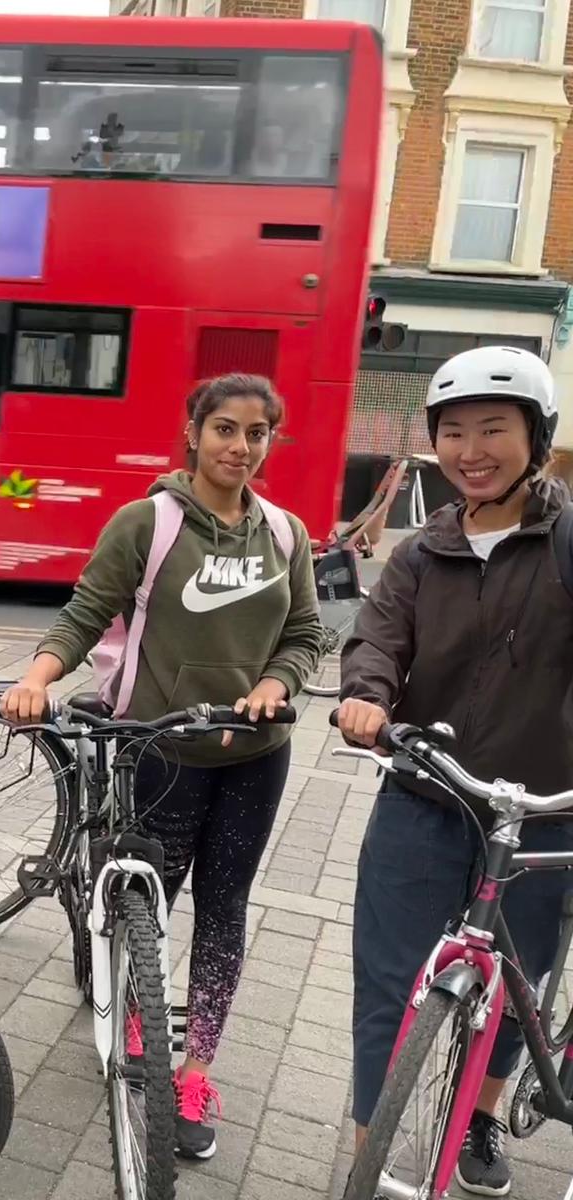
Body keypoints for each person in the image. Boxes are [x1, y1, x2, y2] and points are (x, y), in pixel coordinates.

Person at [1, 373, 321, 1161]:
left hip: (255, 756)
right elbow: (85, 612)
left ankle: (197, 1071)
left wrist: (277, 684)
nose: (240, 446)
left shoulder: (285, 534)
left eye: (256, 433)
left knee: (225, 907)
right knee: (152, 900)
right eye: (224, 429)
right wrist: (36, 679)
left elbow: (306, 633)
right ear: (193, 433)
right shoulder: (148, 521)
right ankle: (139, 1013)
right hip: (158, 749)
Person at [338, 345, 573, 1197]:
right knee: (386, 983)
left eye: (494, 429)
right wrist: (365, 697)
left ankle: (481, 1116)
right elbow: (376, 638)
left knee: (520, 983)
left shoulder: (566, 541)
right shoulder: (422, 552)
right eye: (454, 432)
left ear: (536, 437)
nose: (471, 451)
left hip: (543, 810)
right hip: (427, 797)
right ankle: (371, 1157)